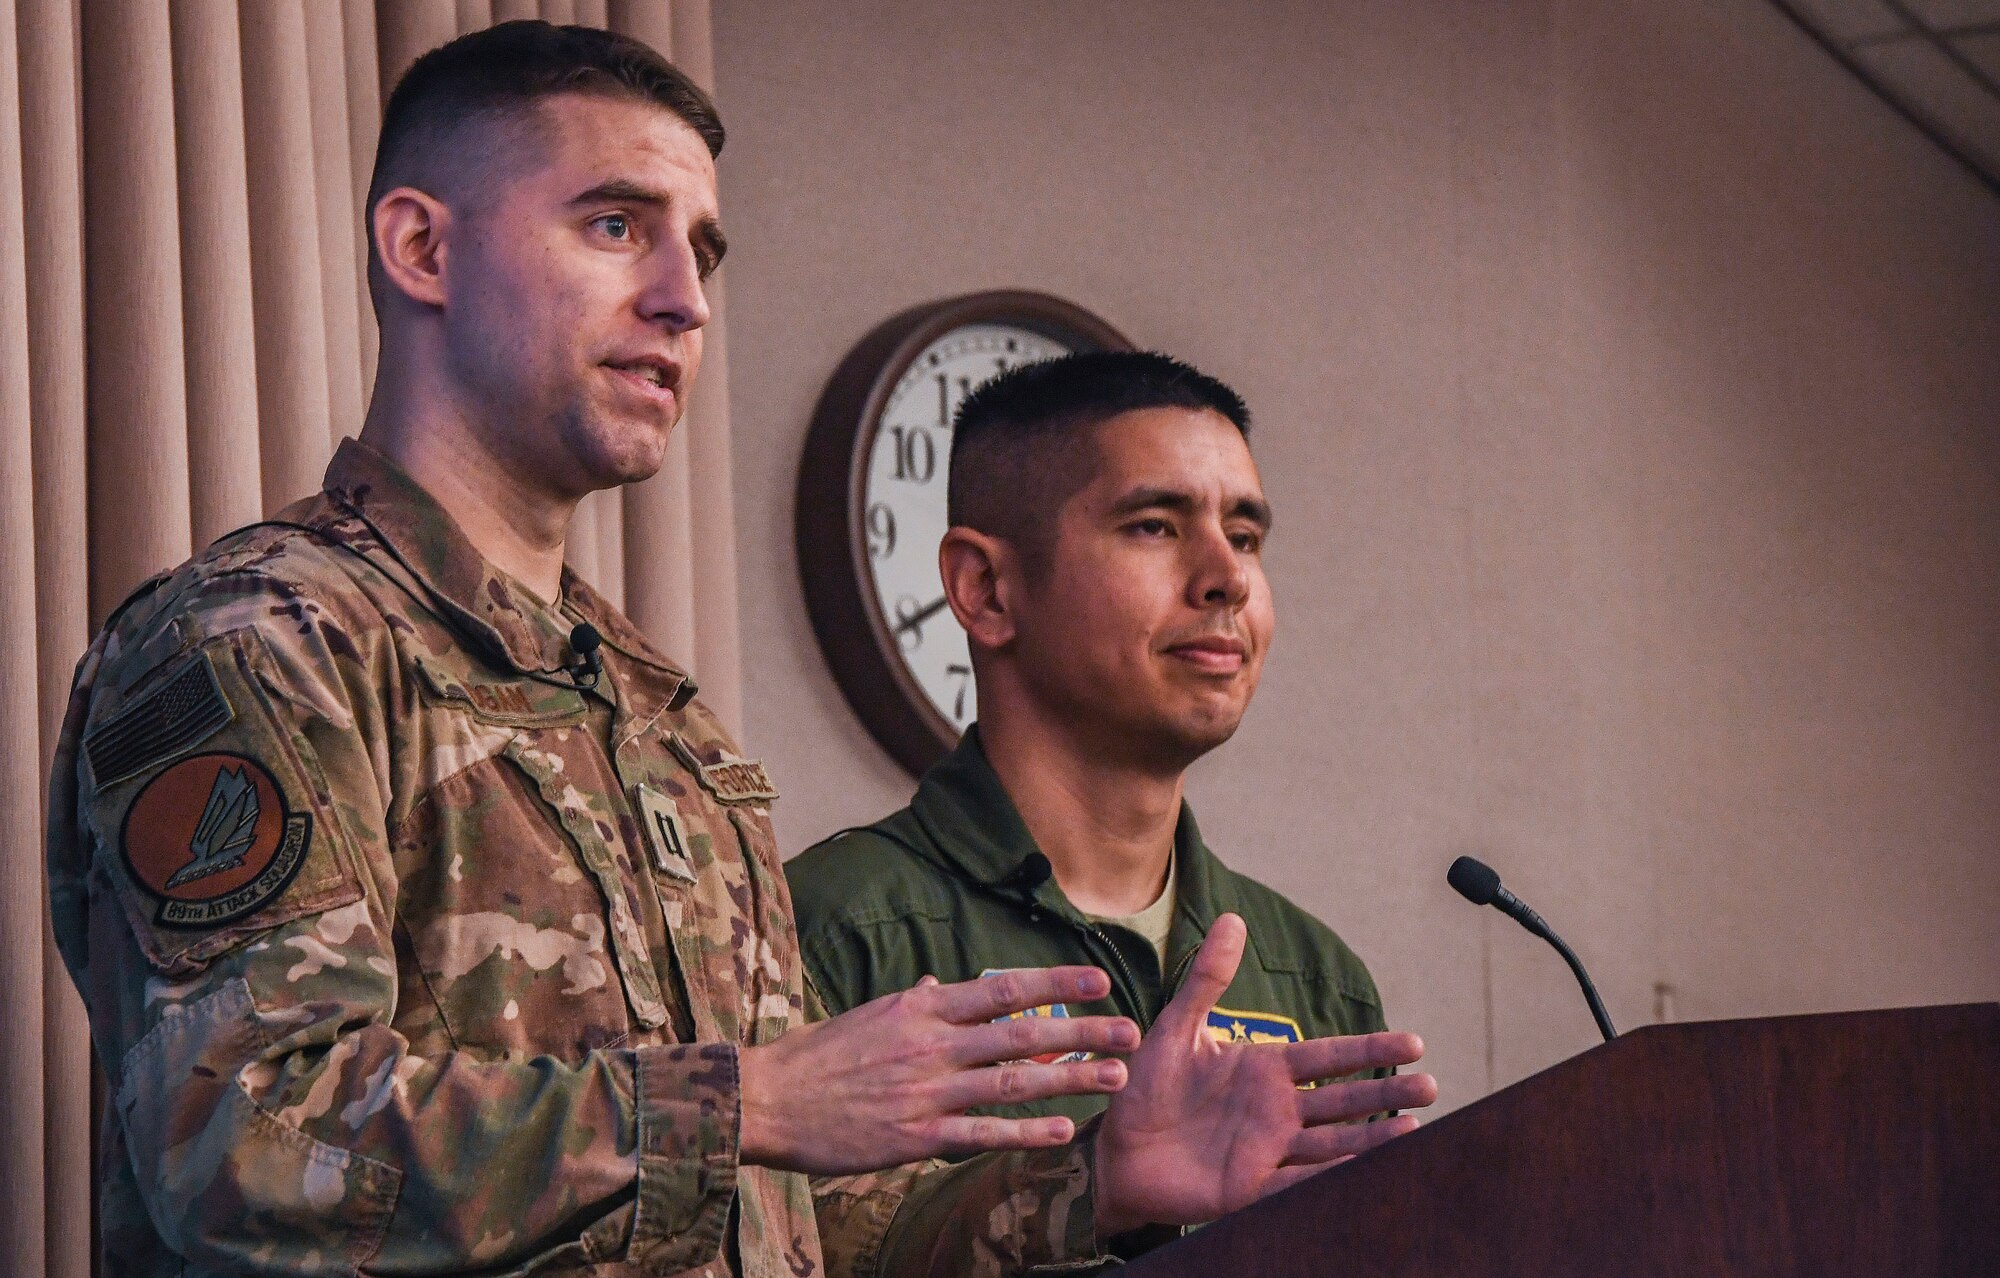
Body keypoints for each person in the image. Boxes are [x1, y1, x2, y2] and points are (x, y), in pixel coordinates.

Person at [45, 22, 1435, 1277]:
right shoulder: (260, 643)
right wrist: (746, 1101)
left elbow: (795, 1220)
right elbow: (248, 1146)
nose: (685, 298)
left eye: (701, 249)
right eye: (614, 226)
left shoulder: (671, 730)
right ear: (423, 250)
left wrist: (1091, 1190)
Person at [790, 352, 1393, 1139]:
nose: (1227, 580)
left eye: (1244, 536)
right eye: (1154, 527)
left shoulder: (1314, 980)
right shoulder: (834, 933)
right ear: (986, 590)